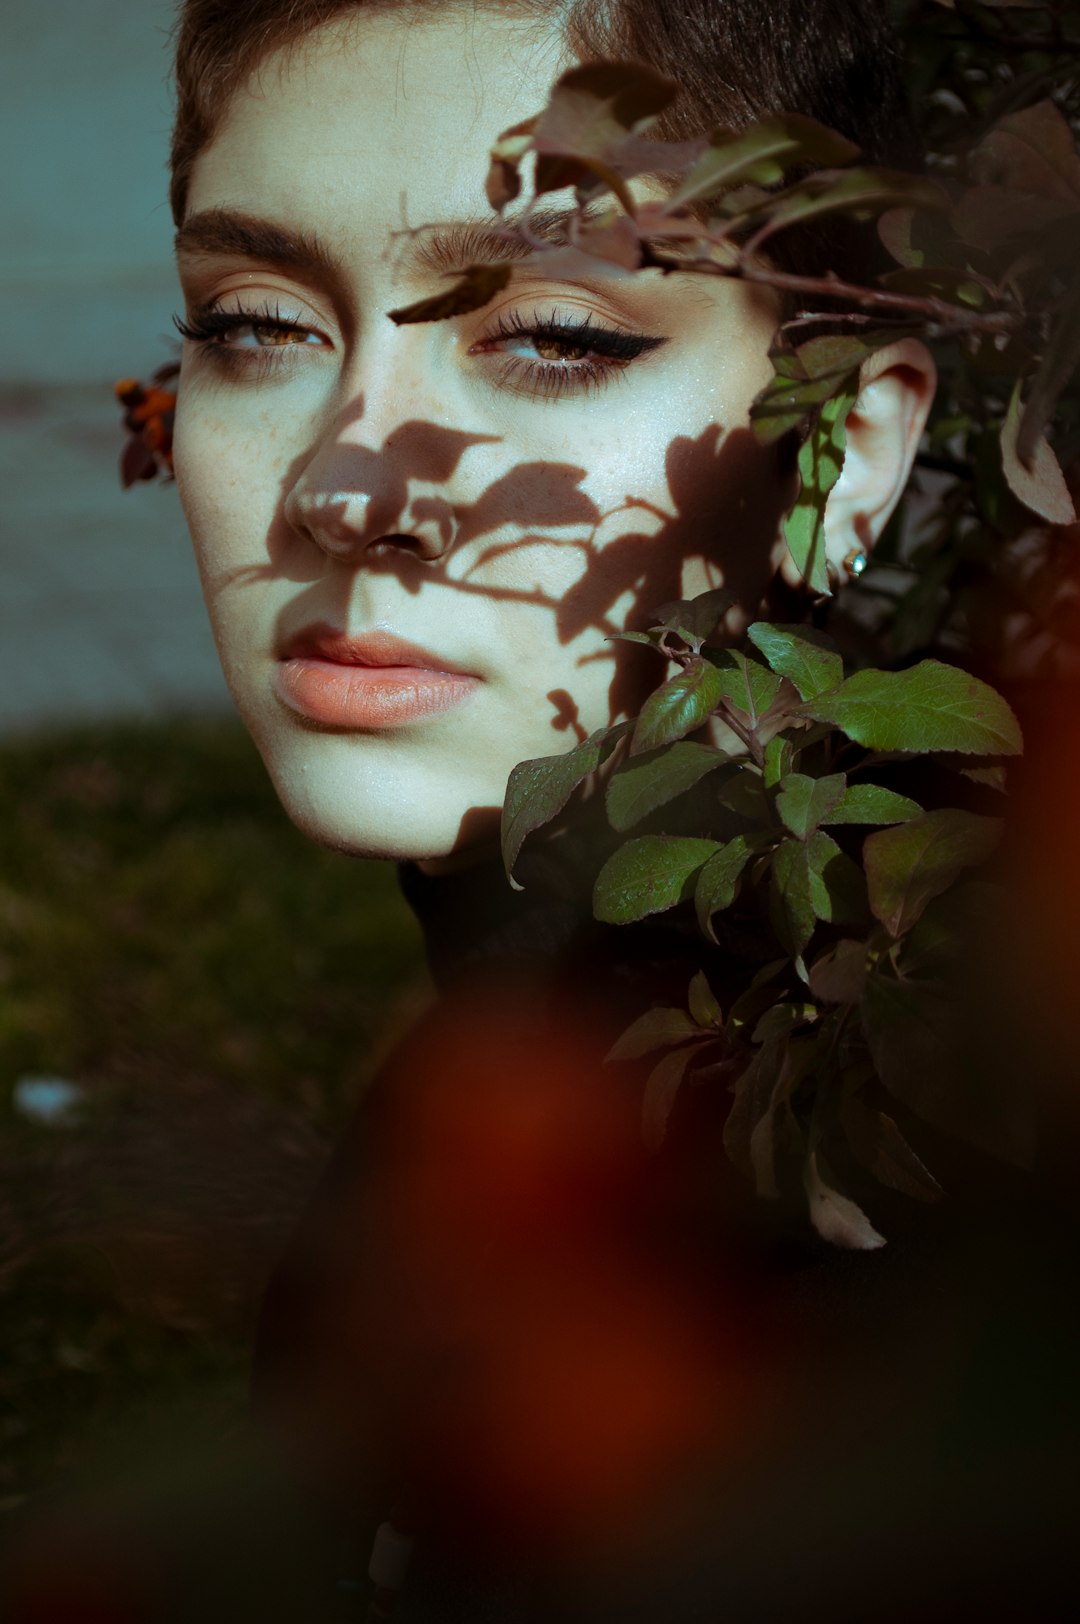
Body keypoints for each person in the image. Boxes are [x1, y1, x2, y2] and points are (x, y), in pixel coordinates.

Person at [90, 2, 1078, 1620]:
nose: (346, 489)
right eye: (255, 322)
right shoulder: (532, 1053)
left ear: (843, 456)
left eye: (558, 336)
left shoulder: (859, 1215)